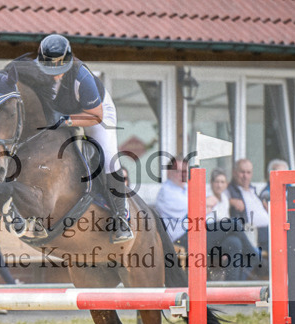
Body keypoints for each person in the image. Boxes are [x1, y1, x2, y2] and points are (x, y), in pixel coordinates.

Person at [32, 33, 133, 243]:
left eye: (58, 71)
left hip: (95, 113)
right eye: (49, 70)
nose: (54, 76)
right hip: (62, 113)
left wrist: (67, 121)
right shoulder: (33, 72)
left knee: (107, 156)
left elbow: (95, 116)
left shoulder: (81, 77)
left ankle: (121, 218)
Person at [205, 169, 260, 281]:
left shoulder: (224, 199)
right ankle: (253, 252)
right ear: (211, 183)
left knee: (235, 243)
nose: (219, 185)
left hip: (221, 237)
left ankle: (235, 283)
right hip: (208, 234)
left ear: (226, 184)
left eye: (222, 182)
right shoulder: (207, 196)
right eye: (216, 182)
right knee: (233, 223)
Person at [227, 158, 270, 251]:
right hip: (253, 233)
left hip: (267, 231)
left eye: (248, 172)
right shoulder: (230, 190)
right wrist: (230, 201)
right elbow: (219, 200)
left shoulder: (253, 190)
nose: (245, 176)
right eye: (242, 172)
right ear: (234, 172)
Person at [153, 156, 190, 248]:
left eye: (185, 171)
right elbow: (195, 207)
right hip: (179, 239)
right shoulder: (166, 192)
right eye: (178, 171)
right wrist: (206, 204)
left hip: (194, 232)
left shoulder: (187, 188)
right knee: (230, 224)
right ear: (169, 173)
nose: (182, 175)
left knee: (231, 242)